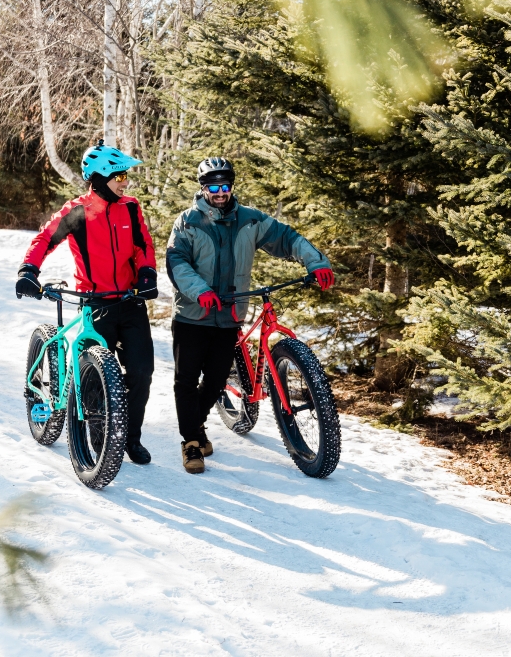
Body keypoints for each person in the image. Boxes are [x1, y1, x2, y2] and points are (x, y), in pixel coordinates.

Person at [165, 157, 334, 473]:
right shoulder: (187, 222)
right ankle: (190, 441)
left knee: (215, 381)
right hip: (192, 315)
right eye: (213, 186)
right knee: (186, 380)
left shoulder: (250, 220)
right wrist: (199, 289)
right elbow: (177, 262)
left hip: (228, 314)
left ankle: (195, 424)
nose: (220, 191)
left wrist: (316, 262)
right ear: (203, 188)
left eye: (225, 185)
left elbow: (287, 238)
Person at [16, 141, 159, 465]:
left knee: (141, 370)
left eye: (125, 176)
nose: (125, 182)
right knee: (92, 373)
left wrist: (147, 273)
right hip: (94, 304)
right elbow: (45, 239)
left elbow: (142, 246)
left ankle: (129, 437)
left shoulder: (131, 208)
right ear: (99, 176)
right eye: (120, 176)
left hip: (129, 300)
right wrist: (29, 270)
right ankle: (99, 438)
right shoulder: (76, 211)